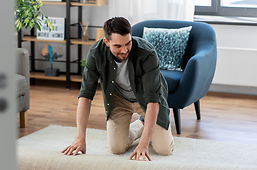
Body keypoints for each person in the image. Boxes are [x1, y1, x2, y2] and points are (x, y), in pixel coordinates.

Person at [62, 17, 174, 161]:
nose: (125, 50)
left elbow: (152, 101)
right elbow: (85, 96)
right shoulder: (96, 53)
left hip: (147, 101)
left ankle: (154, 130)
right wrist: (80, 138)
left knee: (164, 150)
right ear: (106, 42)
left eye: (128, 43)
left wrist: (143, 144)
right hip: (119, 99)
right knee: (116, 148)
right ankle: (141, 125)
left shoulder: (147, 53)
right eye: (118, 46)